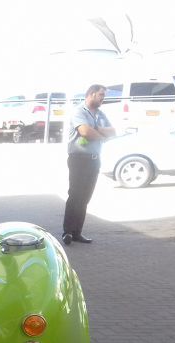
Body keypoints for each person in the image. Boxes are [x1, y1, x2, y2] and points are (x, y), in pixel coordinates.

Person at [62, 84, 116, 245]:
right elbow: (85, 132)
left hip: (94, 159)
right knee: (75, 195)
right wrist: (101, 135)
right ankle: (67, 232)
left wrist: (97, 129)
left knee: (85, 197)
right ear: (91, 94)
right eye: (101, 95)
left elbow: (113, 132)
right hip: (79, 159)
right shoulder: (79, 111)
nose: (103, 99)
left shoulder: (100, 114)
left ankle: (77, 232)